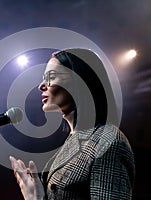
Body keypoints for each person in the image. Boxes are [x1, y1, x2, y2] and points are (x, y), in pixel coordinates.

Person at [9, 48, 135, 200]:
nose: (41, 86)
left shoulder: (108, 141)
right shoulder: (76, 138)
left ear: (81, 82)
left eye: (51, 77)